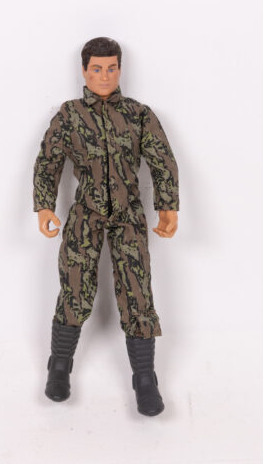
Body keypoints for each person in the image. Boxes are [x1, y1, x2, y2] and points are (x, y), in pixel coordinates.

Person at [33, 37, 179, 416]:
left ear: (120, 70)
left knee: (138, 292)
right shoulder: (70, 115)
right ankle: (59, 366)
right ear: (84, 71)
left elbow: (162, 159)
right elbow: (48, 160)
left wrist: (167, 206)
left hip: (129, 216)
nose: (104, 76)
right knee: (75, 287)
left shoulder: (138, 114)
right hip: (86, 215)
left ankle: (145, 378)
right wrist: (45, 205)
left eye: (111, 68)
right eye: (96, 69)